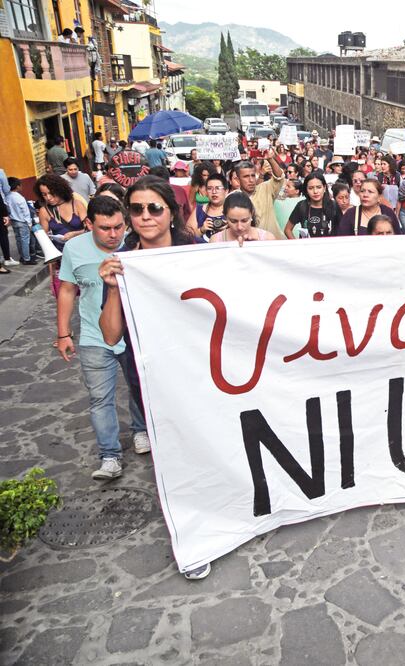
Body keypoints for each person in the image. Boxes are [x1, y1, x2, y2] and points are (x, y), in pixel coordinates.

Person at [97, 177, 210, 580]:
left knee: (210, 447)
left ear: (170, 212)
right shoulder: (123, 262)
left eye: (154, 208)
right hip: (153, 381)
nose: (145, 216)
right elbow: (110, 334)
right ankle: (193, 539)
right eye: (137, 209)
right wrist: (112, 289)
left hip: (203, 374)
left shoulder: (195, 251)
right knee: (174, 458)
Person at [57, 195, 148, 481]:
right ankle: (109, 455)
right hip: (95, 338)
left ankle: (141, 430)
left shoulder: (137, 245)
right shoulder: (74, 248)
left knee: (139, 387)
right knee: (100, 398)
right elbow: (68, 290)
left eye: (119, 227)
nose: (114, 235)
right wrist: (63, 333)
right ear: (88, 224)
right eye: (105, 228)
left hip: (134, 335)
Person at [36, 173, 88, 295]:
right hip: (62, 260)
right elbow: (46, 241)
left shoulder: (76, 204)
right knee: (65, 294)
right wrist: (52, 270)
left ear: (60, 189)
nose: (48, 198)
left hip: (82, 256)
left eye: (51, 193)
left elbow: (90, 229)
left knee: (86, 293)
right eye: (44, 195)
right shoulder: (45, 211)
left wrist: (74, 234)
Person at [232, 153, 286, 239]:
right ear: (238, 180)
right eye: (246, 176)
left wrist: (270, 159)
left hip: (272, 244)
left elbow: (279, 177)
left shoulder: (266, 188)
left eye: (253, 176)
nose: (251, 180)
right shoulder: (232, 198)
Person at [337, 179, 402, 235]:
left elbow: (398, 238)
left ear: (379, 197)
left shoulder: (388, 212)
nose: (365, 195)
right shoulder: (350, 214)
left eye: (370, 192)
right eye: (362, 191)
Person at [287, 172, 340, 238]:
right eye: (311, 188)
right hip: (306, 247)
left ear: (324, 188)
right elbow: (287, 230)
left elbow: (343, 230)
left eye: (318, 187)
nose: (315, 191)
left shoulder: (334, 206)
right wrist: (298, 246)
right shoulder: (301, 206)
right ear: (306, 190)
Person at [210, 192, 277, 244]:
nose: (239, 227)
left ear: (252, 214)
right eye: (233, 221)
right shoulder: (215, 241)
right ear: (225, 217)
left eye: (244, 221)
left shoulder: (268, 239)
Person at [6, 177, 37, 265]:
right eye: (20, 185)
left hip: (14, 222)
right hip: (23, 222)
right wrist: (29, 223)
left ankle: (22, 257)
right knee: (25, 241)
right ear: (17, 186)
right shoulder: (20, 198)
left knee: (18, 240)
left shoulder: (8, 197)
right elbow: (26, 212)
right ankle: (27, 259)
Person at [188, 171, 227, 238]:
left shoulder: (233, 210)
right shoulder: (199, 210)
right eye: (209, 188)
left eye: (218, 188)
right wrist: (201, 230)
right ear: (206, 192)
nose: (214, 192)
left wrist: (229, 229)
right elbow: (187, 237)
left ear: (226, 191)